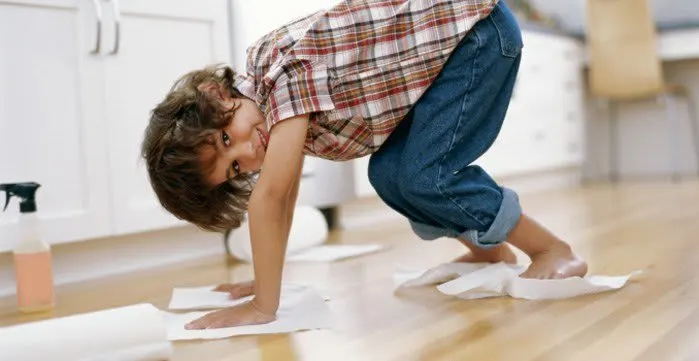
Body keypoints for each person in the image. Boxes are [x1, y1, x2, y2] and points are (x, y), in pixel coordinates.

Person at [141, 0, 587, 329]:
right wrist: (264, 283)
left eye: (225, 139)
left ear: (217, 96)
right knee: (388, 174)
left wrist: (264, 308)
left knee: (425, 176)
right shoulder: (269, 112)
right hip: (451, 56)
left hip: (477, 34)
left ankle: (551, 249)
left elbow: (273, 196)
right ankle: (490, 251)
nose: (247, 153)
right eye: (235, 168)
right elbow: (285, 189)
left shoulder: (278, 77)